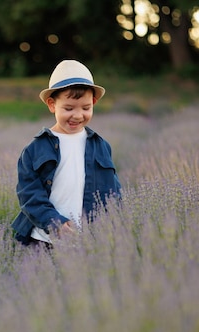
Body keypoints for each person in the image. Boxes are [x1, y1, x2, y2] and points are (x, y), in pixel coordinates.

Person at [11, 59, 122, 246]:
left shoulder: (100, 145)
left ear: (94, 102)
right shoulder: (35, 149)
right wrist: (55, 223)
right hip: (45, 240)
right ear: (52, 105)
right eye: (68, 108)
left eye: (86, 108)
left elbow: (113, 192)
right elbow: (29, 194)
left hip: (88, 240)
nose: (78, 115)